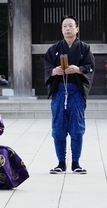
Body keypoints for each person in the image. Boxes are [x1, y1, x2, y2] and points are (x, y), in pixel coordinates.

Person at [44, 15, 94, 175]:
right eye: (65, 26)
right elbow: (47, 68)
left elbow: (90, 67)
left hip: (76, 92)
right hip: (59, 91)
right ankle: (60, 162)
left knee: (77, 128)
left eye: (71, 26)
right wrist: (53, 71)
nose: (67, 29)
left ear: (77, 29)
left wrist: (78, 69)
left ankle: (76, 162)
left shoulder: (84, 48)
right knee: (58, 127)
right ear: (61, 29)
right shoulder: (54, 49)